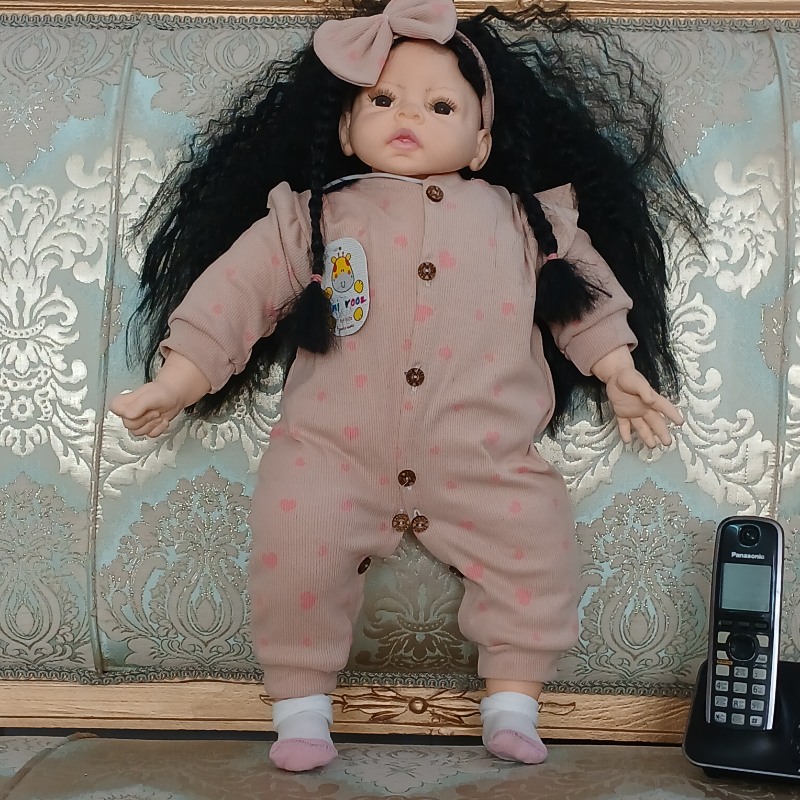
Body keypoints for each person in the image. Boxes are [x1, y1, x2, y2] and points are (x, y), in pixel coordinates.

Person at [111, 0, 700, 773]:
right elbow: (234, 297)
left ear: (482, 140)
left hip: (484, 453)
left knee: (537, 538)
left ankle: (513, 702)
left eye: (441, 106)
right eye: (382, 99)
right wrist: (177, 379)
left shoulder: (529, 223)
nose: (408, 116)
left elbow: (586, 303)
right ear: (345, 127)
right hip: (331, 451)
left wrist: (619, 370)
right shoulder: (312, 220)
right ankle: (300, 709)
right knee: (295, 543)